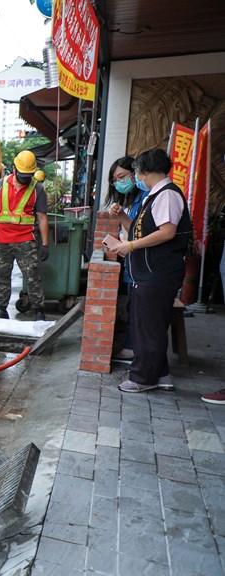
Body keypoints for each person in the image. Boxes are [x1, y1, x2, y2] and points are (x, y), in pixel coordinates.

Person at [110, 149, 192, 393]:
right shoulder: (154, 195)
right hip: (149, 273)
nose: (134, 178)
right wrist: (123, 216)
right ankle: (161, 374)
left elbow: (167, 232)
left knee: (148, 328)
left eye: (135, 172)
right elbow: (139, 230)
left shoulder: (167, 195)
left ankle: (143, 378)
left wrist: (131, 245)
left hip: (158, 273)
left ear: (145, 171)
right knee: (151, 326)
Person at [0, 150, 51, 321]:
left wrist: (45, 244)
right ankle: (1, 308)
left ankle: (38, 309)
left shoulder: (37, 189)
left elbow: (42, 217)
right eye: (22, 174)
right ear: (13, 168)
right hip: (2, 240)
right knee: (1, 274)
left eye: (29, 175)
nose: (26, 178)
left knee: (32, 275)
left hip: (26, 240)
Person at [106, 156, 149, 362]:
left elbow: (140, 232)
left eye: (122, 176)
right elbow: (131, 232)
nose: (119, 182)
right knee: (132, 306)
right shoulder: (132, 199)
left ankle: (134, 349)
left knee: (138, 309)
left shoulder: (148, 196)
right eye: (115, 180)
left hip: (144, 265)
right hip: (133, 261)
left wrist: (123, 217)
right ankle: (133, 347)